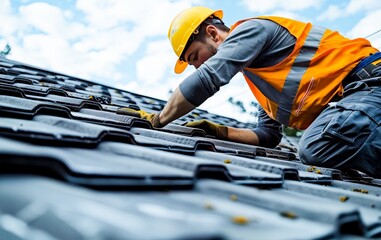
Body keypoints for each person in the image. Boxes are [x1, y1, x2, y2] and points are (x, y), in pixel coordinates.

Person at [117, 6, 381, 178]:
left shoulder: (252, 30)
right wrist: (219, 131)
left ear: (213, 33)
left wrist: (159, 119)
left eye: (195, 56)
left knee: (314, 146)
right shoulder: (262, 78)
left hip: (370, 83)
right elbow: (268, 135)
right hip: (358, 102)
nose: (196, 66)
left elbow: (208, 79)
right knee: (319, 143)